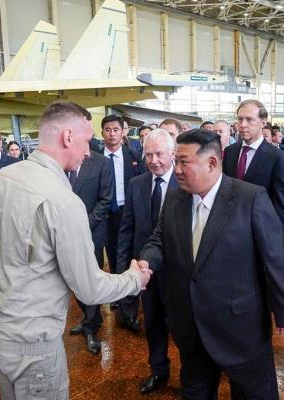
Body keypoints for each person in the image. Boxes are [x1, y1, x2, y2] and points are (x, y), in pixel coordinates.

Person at [0, 101, 151, 400]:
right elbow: (89, 288)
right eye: (87, 141)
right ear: (68, 137)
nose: (89, 152)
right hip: (33, 347)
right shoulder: (63, 201)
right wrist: (134, 279)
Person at [137, 130, 284, 400]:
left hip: (239, 327)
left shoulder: (250, 198)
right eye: (175, 161)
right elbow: (159, 239)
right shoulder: (176, 198)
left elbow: (275, 260)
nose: (175, 169)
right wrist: (146, 260)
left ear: (212, 162)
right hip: (190, 325)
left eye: (183, 162)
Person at [115, 129, 178, 394]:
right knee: (152, 325)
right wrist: (123, 271)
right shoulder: (137, 184)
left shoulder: (186, 183)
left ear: (173, 154)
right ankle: (158, 370)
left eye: (160, 154)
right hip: (145, 271)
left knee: (183, 327)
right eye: (149, 154)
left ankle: (192, 376)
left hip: (179, 272)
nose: (154, 160)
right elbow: (127, 229)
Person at [67, 151, 115, 355]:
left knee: (89, 280)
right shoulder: (62, 160)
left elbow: (105, 200)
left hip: (92, 232)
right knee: (73, 280)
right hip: (65, 232)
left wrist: (84, 224)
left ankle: (91, 327)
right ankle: (91, 318)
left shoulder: (101, 163)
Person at [223, 100, 284, 229]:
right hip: (229, 229)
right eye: (240, 119)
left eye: (249, 119)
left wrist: (272, 236)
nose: (242, 125)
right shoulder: (230, 152)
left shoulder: (277, 157)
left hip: (261, 230)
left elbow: (282, 204)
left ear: (263, 122)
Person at [98, 115, 145, 285]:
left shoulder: (133, 156)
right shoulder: (94, 158)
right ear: (102, 132)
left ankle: (127, 287)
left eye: (116, 130)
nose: (111, 134)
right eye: (108, 130)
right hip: (103, 214)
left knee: (126, 250)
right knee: (109, 251)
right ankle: (115, 288)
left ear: (122, 132)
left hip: (126, 210)